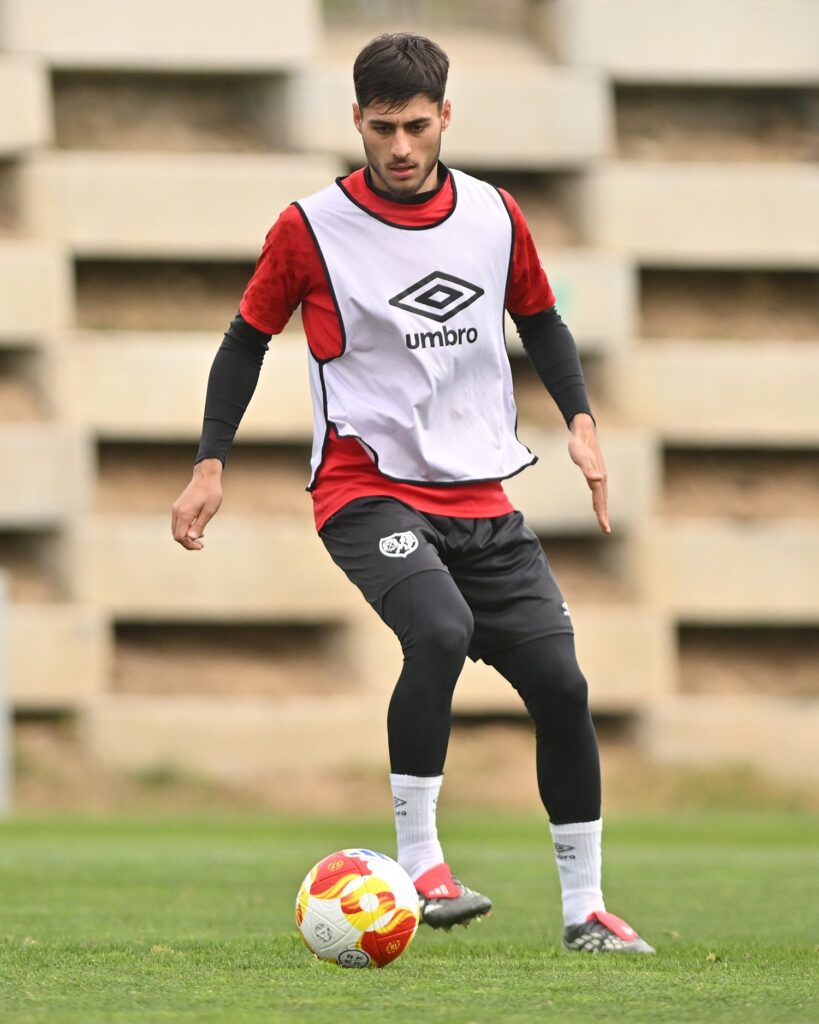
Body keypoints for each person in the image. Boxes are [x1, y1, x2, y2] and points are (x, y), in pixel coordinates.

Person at [171, 32, 654, 954]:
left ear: (445, 118)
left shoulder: (493, 215)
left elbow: (541, 319)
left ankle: (584, 910)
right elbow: (245, 339)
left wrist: (582, 422)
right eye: (383, 127)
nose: (400, 146)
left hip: (480, 495)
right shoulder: (310, 228)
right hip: (364, 487)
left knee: (562, 686)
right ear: (356, 119)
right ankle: (421, 862)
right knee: (438, 630)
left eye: (417, 127)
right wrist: (209, 462)